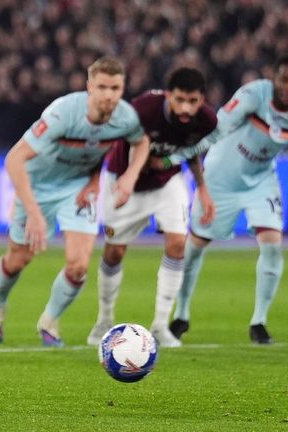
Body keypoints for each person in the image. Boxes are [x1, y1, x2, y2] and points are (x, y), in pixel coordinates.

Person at [0, 57, 150, 347]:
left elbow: (141, 142)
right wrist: (34, 213)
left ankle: (49, 322)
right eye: (102, 87)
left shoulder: (126, 117)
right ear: (89, 87)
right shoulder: (63, 113)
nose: (109, 95)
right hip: (37, 187)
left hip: (76, 189)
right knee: (18, 260)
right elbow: (14, 159)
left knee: (78, 266)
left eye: (115, 88)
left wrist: (128, 176)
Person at [160, 56, 288, 344]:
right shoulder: (253, 95)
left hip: (261, 179)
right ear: (274, 79)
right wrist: (178, 157)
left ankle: (259, 322)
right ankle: (181, 314)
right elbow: (218, 128)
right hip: (221, 177)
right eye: (285, 79)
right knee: (195, 247)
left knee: (272, 245)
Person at [85, 68, 218, 348]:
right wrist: (102, 179)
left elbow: (192, 150)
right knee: (114, 251)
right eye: (180, 100)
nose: (186, 108)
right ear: (168, 95)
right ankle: (104, 318)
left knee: (177, 243)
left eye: (193, 101)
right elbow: (123, 142)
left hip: (167, 182)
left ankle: (160, 325)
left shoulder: (207, 120)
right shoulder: (144, 109)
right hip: (124, 181)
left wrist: (203, 189)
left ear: (202, 100)